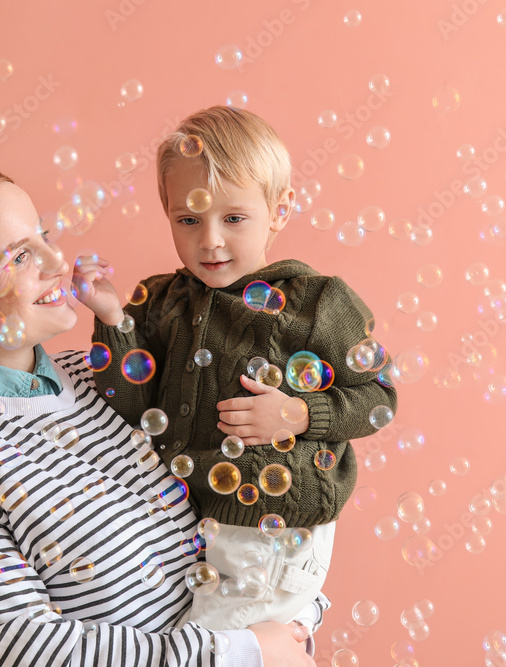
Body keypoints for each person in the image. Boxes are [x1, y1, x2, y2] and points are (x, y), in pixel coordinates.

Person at [0, 165, 321, 666]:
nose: (55, 260)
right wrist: (240, 653)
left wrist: (296, 619)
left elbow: (247, 524)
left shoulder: (108, 379)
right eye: (20, 255)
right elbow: (9, 648)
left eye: (43, 237)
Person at [74, 107, 398, 633]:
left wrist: (296, 414)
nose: (210, 241)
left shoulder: (315, 303)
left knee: (215, 649)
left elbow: (379, 397)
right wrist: (112, 318)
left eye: (233, 217)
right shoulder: (160, 302)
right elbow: (133, 407)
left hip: (272, 528)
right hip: (191, 522)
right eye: (188, 220)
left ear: (280, 210)